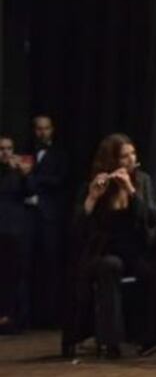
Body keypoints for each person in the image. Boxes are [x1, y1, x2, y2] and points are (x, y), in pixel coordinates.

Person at [70, 134, 153, 358]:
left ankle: (148, 338)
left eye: (132, 154)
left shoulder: (142, 181)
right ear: (111, 160)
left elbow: (151, 218)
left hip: (133, 250)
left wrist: (130, 190)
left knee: (153, 270)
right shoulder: (95, 183)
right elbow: (79, 229)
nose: (130, 159)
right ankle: (111, 341)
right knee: (111, 265)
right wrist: (93, 198)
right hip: (102, 252)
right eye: (124, 156)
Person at [25, 114, 70, 327]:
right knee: (27, 265)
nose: (42, 132)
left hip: (50, 217)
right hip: (27, 216)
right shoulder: (28, 152)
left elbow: (60, 180)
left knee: (50, 266)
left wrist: (32, 178)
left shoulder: (60, 154)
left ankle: (50, 316)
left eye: (46, 128)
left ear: (52, 130)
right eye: (38, 129)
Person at [0, 135, 31, 333]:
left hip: (14, 228)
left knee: (13, 273)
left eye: (9, 148)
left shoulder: (19, 172)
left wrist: (24, 174)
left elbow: (30, 192)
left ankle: (12, 317)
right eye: (1, 148)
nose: (5, 152)